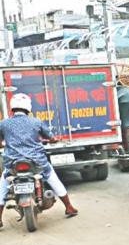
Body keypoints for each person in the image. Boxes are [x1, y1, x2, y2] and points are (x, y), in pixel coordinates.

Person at [0, 93, 78, 224]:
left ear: (12, 107)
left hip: (13, 163)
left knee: (3, 184)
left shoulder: (4, 124)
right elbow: (50, 137)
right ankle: (69, 207)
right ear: (28, 107)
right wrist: (53, 140)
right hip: (36, 162)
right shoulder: (36, 122)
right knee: (52, 178)